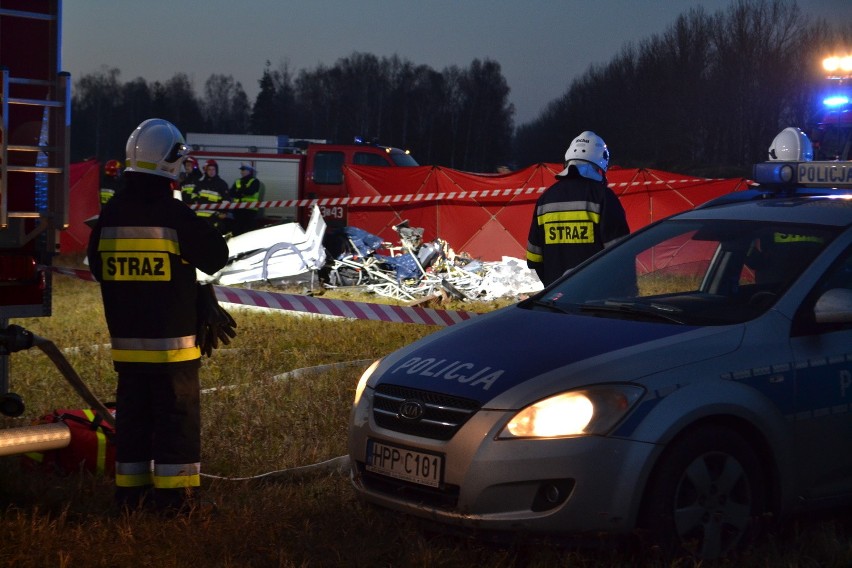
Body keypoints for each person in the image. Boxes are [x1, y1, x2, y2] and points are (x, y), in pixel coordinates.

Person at [87, 118, 231, 513]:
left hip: (128, 349)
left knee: (132, 421)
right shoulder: (175, 215)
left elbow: (98, 267)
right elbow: (216, 256)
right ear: (168, 163)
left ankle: (130, 497)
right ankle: (176, 501)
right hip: (173, 350)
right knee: (176, 423)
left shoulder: (111, 214)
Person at [526, 131, 629, 287]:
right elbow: (621, 254)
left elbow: (534, 257)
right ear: (600, 163)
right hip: (596, 300)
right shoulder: (603, 197)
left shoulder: (545, 199)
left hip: (554, 300)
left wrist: (551, 286)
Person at [191, 159, 230, 232]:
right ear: (206, 170)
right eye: (209, 169)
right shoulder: (200, 183)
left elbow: (226, 199)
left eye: (213, 169)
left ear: (216, 170)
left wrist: (224, 212)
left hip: (214, 217)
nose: (211, 171)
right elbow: (193, 196)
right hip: (200, 217)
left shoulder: (221, 184)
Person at [228, 162, 264, 235]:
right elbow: (231, 193)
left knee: (248, 231)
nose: (242, 172)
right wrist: (242, 192)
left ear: (249, 171)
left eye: (244, 170)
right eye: (241, 170)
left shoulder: (255, 181)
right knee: (237, 231)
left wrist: (239, 192)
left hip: (250, 210)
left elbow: (250, 192)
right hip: (238, 210)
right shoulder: (238, 181)